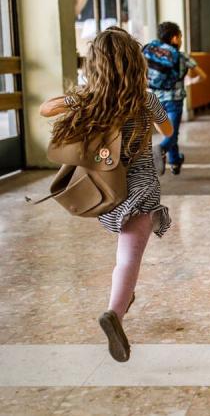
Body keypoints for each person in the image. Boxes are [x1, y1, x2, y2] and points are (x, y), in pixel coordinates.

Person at [39, 27, 174, 363]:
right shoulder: (145, 98)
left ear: (95, 65)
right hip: (140, 189)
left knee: (122, 255)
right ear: (135, 64)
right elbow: (167, 129)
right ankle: (114, 312)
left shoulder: (90, 99)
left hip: (108, 191)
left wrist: (80, 97)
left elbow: (46, 109)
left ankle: (122, 300)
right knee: (129, 258)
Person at [143, 22, 207, 176]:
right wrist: (190, 82)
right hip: (174, 100)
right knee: (172, 133)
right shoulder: (182, 57)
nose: (181, 39)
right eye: (180, 36)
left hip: (155, 99)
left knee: (170, 131)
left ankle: (175, 161)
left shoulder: (151, 53)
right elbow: (202, 76)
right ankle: (161, 149)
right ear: (174, 38)